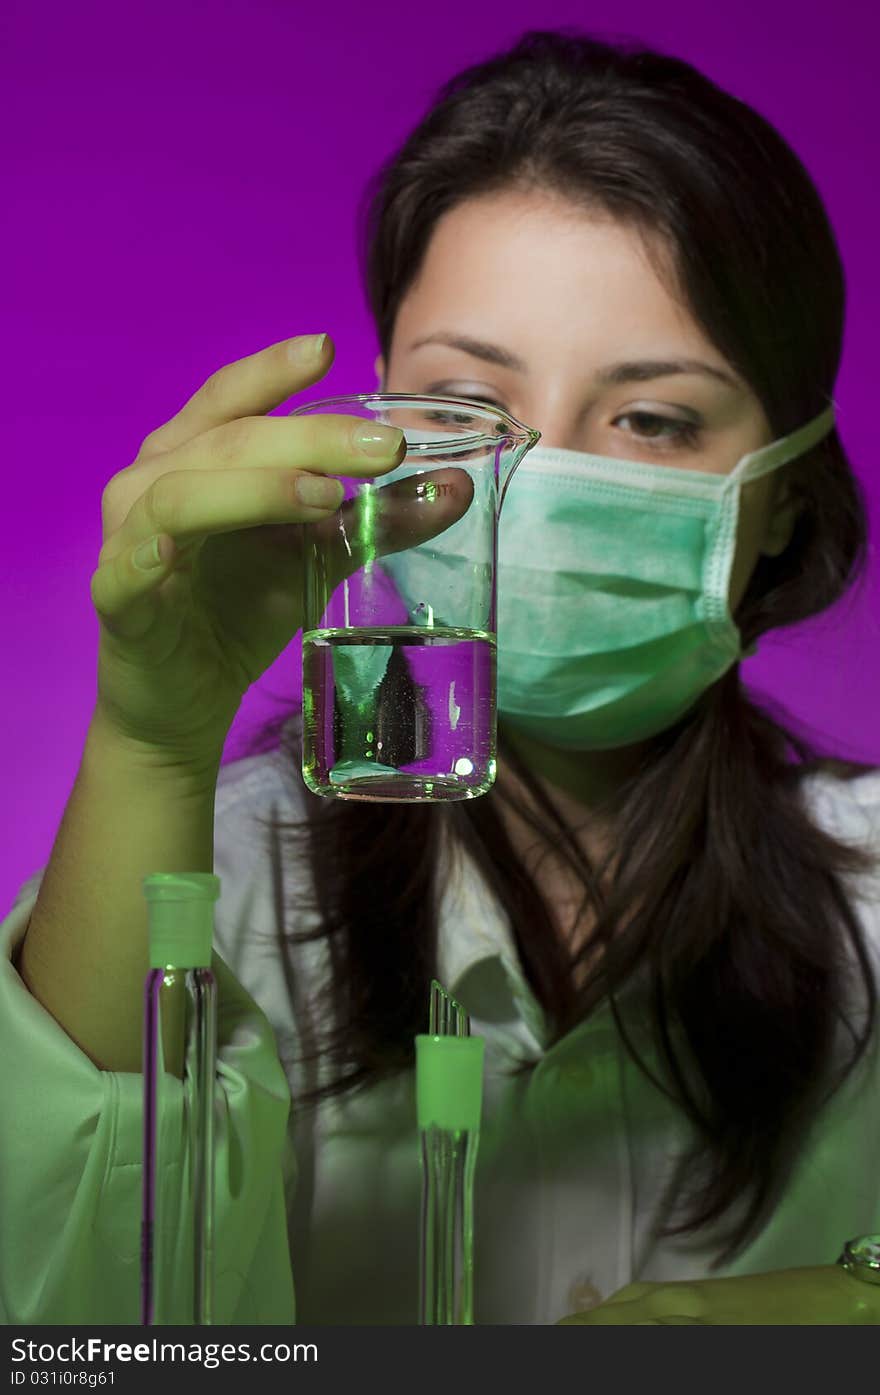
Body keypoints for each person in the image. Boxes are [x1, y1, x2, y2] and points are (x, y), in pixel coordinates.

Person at [2, 28, 879, 1326]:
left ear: (790, 507)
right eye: (467, 403)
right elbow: (55, 1319)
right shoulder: (218, 875)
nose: (539, 477)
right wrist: (152, 739)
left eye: (649, 417)